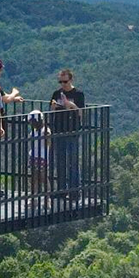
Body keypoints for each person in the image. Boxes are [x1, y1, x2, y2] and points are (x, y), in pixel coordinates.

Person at [49, 67, 86, 195]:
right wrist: (53, 107)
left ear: (71, 80)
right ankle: (61, 190)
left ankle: (74, 191)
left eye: (65, 81)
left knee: (73, 162)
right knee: (60, 161)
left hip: (72, 131)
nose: (63, 84)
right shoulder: (56, 94)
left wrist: (71, 105)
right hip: (58, 130)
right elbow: (51, 111)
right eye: (60, 82)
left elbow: (81, 113)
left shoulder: (78, 94)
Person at [27, 108, 52, 195]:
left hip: (42, 156)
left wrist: (47, 136)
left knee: (43, 177)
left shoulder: (45, 130)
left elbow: (48, 143)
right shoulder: (34, 131)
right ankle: (34, 196)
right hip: (34, 155)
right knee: (33, 177)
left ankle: (47, 197)